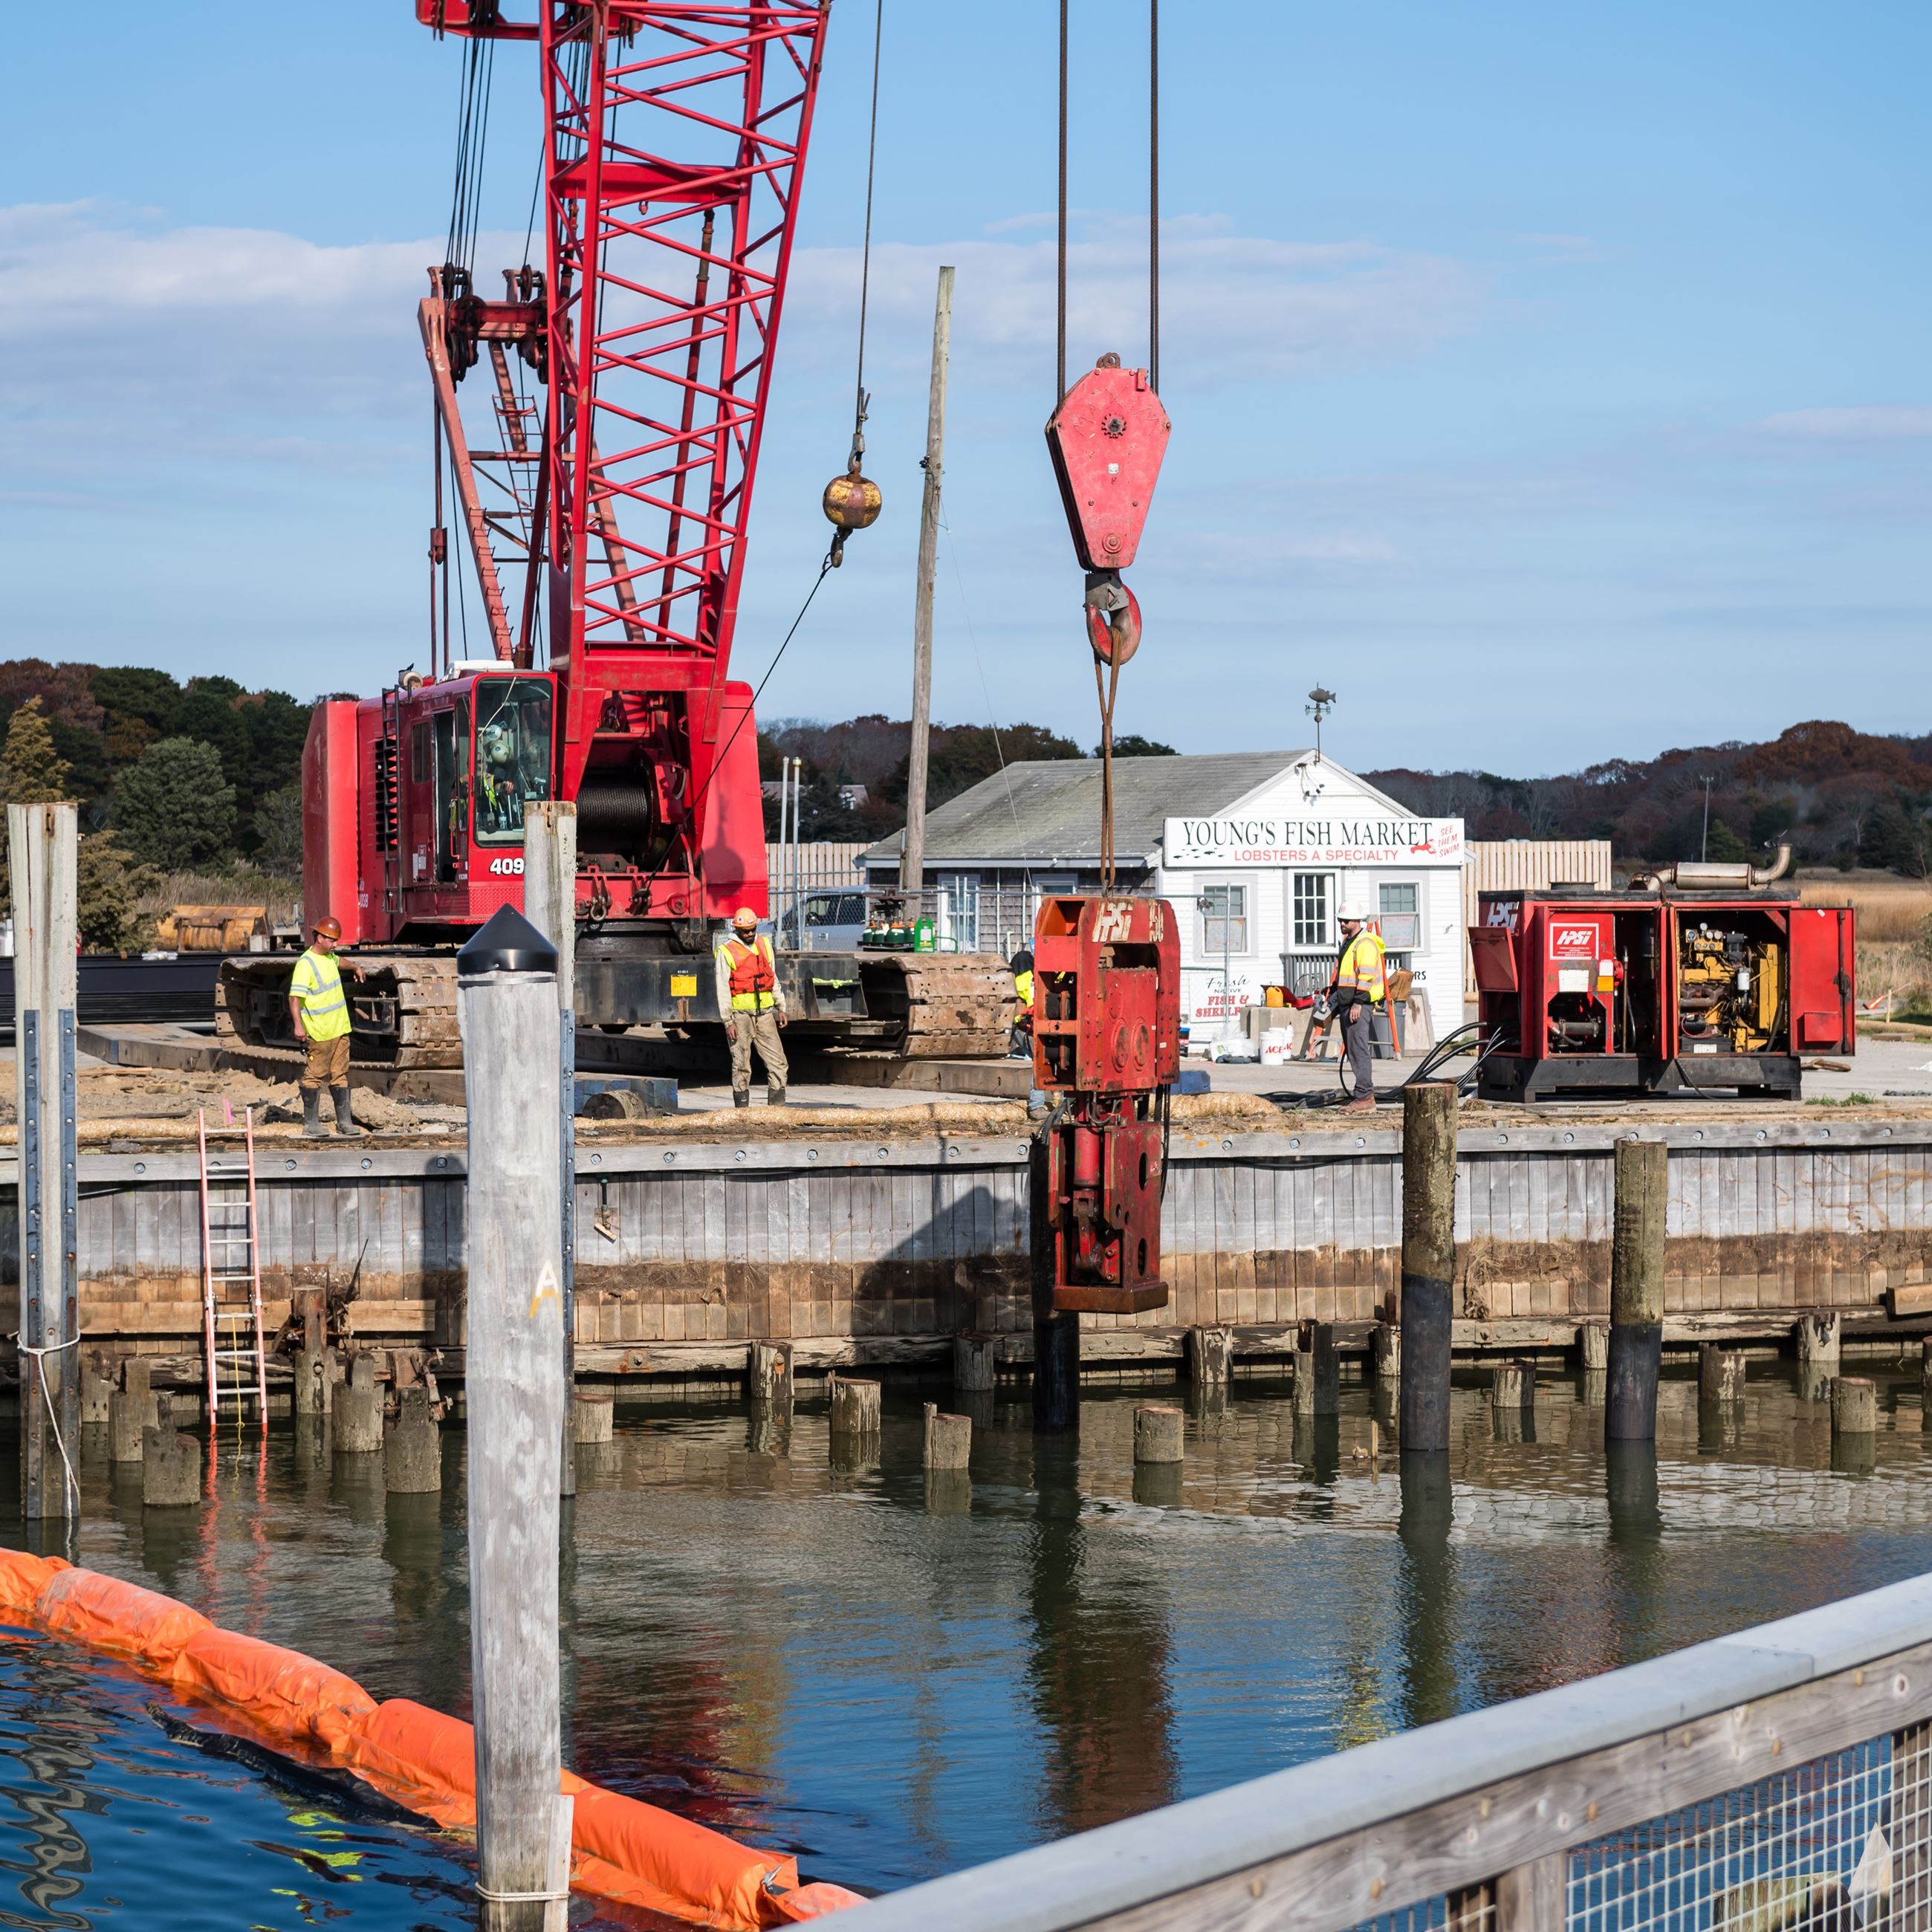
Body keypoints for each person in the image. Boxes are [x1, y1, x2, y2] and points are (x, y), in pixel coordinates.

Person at [288, 915, 363, 1140]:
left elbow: (340, 961)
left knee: (340, 1075)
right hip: (320, 1032)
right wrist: (298, 1026)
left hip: (340, 1030)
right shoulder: (306, 964)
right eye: (332, 940)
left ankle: (344, 1123)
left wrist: (355, 966)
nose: (335, 944)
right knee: (314, 1076)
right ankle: (311, 1124)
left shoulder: (330, 957)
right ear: (319, 938)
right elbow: (294, 998)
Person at [714, 907, 788, 1108]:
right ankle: (742, 1113)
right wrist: (728, 1021)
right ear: (737, 930)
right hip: (740, 1017)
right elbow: (722, 989)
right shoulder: (726, 952)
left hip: (765, 1015)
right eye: (746, 931)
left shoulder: (764, 945)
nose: (750, 934)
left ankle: (776, 1109)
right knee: (741, 1065)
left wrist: (781, 1006)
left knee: (778, 1063)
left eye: (752, 929)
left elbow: (773, 977)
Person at [1331, 902, 1387, 1111]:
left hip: (1358, 1004)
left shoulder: (1364, 944)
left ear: (1357, 921)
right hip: (1348, 1002)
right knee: (1354, 1051)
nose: (1342, 924)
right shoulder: (1349, 942)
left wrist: (1358, 1003)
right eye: (1340, 920)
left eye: (1346, 920)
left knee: (1358, 1050)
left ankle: (1364, 1098)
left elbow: (1365, 976)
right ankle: (1362, 1095)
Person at [1008, 947, 1035, 1058]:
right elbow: (1031, 995)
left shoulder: (1012, 976)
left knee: (1015, 1027)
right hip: (1031, 1007)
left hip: (1020, 1005)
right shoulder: (1032, 975)